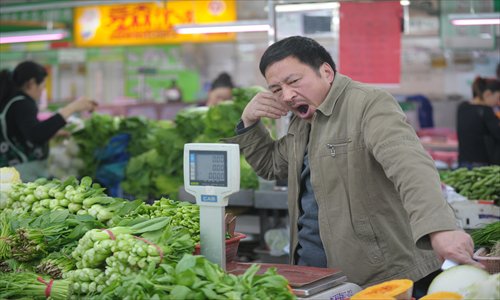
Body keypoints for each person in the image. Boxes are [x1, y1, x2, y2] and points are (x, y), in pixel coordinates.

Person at [223, 36, 482, 296]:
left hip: (380, 277)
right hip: (316, 276)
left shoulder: (368, 104)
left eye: (293, 81)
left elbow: (410, 166)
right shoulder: (302, 121)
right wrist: (249, 122)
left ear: (326, 72)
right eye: (276, 89)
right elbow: (271, 166)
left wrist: (440, 228)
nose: (287, 95)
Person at [0, 60, 97, 181]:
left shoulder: (12, 101)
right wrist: (72, 108)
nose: (42, 92)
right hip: (22, 172)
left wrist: (53, 132)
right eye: (43, 86)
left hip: (13, 171)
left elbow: (22, 131)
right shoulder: (22, 103)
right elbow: (36, 135)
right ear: (32, 83)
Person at [456, 77, 500, 168]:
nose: (497, 102)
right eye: (498, 98)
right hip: (481, 165)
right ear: (488, 94)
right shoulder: (486, 111)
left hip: (463, 162)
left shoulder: (462, 107)